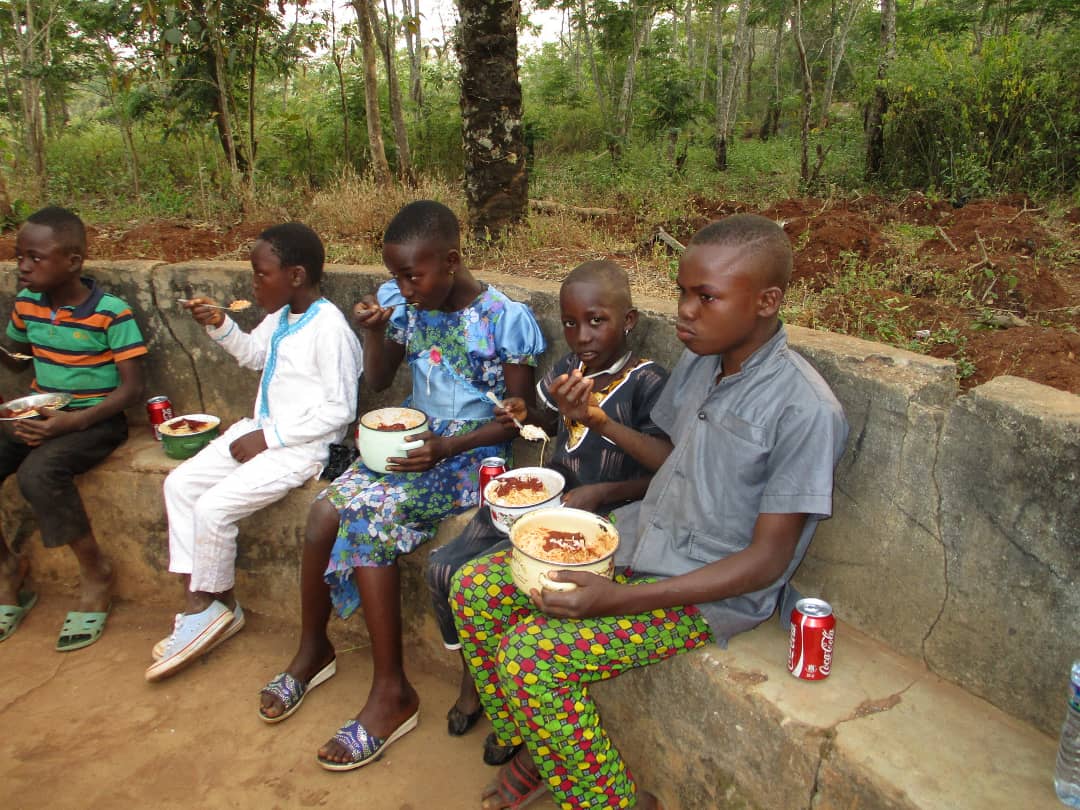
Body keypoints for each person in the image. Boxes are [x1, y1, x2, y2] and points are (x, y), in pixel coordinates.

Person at [450, 214, 849, 810]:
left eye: (706, 297)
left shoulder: (806, 410)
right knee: (475, 588)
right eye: (684, 291)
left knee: (531, 655)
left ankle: (614, 801)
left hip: (706, 588)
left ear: (767, 302)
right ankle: (539, 743)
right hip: (639, 537)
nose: (685, 311)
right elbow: (671, 458)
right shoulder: (703, 361)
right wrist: (597, 420)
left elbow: (766, 563)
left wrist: (617, 599)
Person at [257, 200, 546, 773]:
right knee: (323, 512)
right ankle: (314, 648)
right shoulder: (404, 304)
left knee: (369, 522)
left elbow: (518, 417)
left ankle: (392, 692)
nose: (404, 288)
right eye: (396, 276)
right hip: (412, 438)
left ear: (452, 261)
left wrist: (448, 447)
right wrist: (375, 333)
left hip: (470, 452)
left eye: (413, 275)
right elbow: (378, 378)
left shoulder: (504, 319)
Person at [425, 259, 671, 766]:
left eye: (597, 321)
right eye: (571, 323)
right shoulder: (567, 368)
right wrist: (525, 413)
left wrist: (602, 491)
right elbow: (548, 420)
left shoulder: (648, 382)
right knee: (445, 569)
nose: (582, 336)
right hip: (542, 498)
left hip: (599, 517)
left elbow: (666, 467)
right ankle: (476, 681)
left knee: (502, 585)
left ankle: (499, 703)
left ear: (628, 320)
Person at [145, 222, 362, 681]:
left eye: (262, 274)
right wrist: (219, 325)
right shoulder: (282, 317)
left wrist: (269, 438)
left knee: (213, 509)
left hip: (300, 449)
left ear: (296, 275)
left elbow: (339, 410)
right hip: (260, 431)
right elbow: (253, 355)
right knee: (180, 484)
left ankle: (209, 606)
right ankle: (207, 603)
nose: (254, 284)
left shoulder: (330, 330)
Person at [0, 206, 147, 650]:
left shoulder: (110, 313)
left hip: (95, 420)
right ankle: (7, 568)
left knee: (39, 474)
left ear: (73, 261)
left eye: (35, 257)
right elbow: (16, 359)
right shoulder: (26, 305)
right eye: (20, 256)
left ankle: (95, 571)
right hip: (41, 412)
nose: (23, 266)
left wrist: (73, 422)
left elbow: (132, 389)